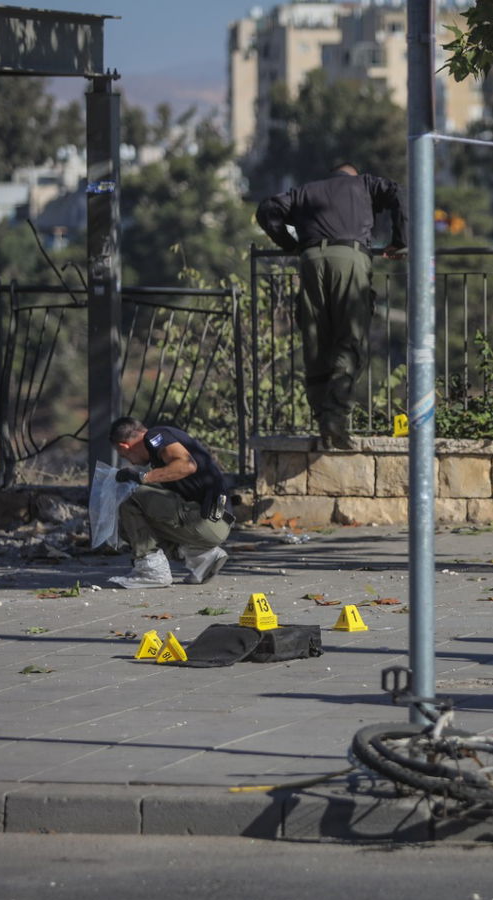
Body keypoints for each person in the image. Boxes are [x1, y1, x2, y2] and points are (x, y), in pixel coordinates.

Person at [255, 162, 407, 450]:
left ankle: (322, 418)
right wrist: (399, 240)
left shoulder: (304, 191)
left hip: (310, 261)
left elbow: (267, 210)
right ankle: (335, 418)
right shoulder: (364, 184)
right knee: (350, 338)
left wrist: (290, 245)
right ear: (353, 174)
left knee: (317, 342)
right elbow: (399, 192)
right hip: (349, 258)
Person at [108, 417, 232, 588]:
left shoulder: (154, 436)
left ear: (124, 446)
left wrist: (142, 477)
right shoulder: (161, 448)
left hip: (206, 521)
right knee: (127, 526)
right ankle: (202, 557)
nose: (131, 462)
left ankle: (152, 572)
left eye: (124, 456)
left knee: (131, 500)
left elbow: (187, 465)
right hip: (216, 522)